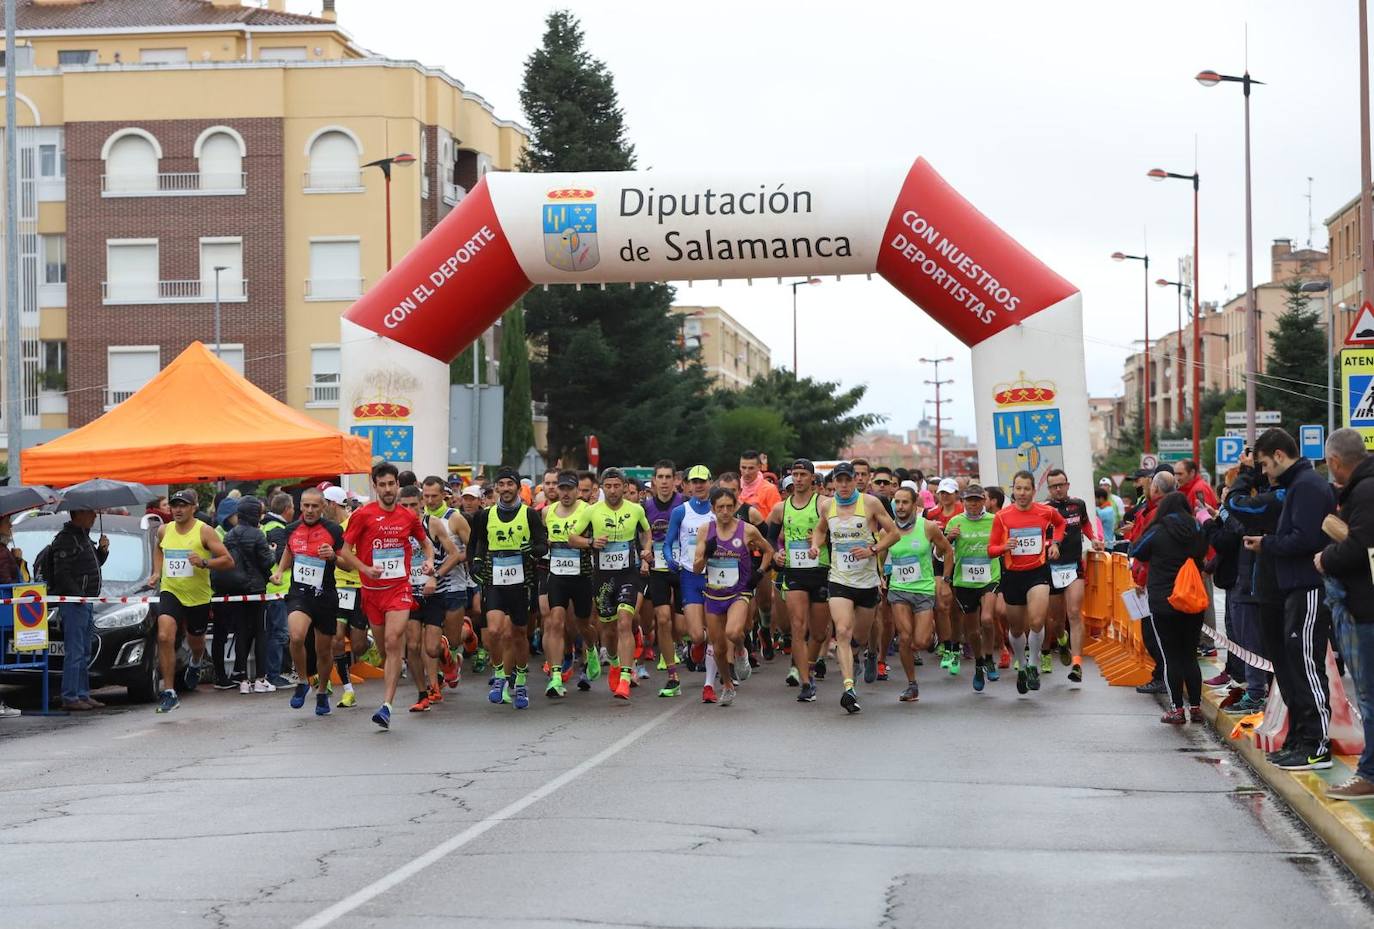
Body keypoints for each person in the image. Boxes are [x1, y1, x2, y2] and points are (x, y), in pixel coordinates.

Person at [1245, 427, 1337, 771]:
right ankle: (1302, 737)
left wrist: (1266, 544)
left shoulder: (1308, 487)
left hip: (1309, 586)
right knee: (1295, 666)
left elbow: (1305, 539)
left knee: (1307, 665)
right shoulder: (1298, 486)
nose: (1265, 472)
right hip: (1295, 587)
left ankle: (1318, 744)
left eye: (1266, 464)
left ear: (1280, 456)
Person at [339, 462, 436, 730]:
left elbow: (426, 543)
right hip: (371, 594)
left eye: (391, 484)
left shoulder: (407, 517)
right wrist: (365, 568)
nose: (387, 489)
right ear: (374, 486)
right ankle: (394, 671)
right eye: (382, 485)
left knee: (394, 641)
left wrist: (428, 562)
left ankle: (387, 706)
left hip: (399, 590)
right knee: (385, 650)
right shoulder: (363, 515)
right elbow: (345, 551)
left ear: (397, 484)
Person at [808, 460, 900, 714]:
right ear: (834, 482)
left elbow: (893, 534)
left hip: (867, 582)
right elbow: (819, 530)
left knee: (858, 636)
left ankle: (868, 654)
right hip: (839, 579)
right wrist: (816, 545)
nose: (845, 485)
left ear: (856, 481)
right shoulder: (827, 505)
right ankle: (849, 688)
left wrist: (872, 549)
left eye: (849, 480)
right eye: (840, 480)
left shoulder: (870, 503)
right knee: (843, 633)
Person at [1315, 428, 1374, 798]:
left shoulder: (1365, 492)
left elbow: (1361, 548)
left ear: (1336, 462)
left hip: (1364, 608)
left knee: (1369, 695)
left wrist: (1325, 558)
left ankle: (1369, 775)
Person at [467, 467, 548, 709]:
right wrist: (476, 564)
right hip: (494, 580)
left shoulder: (530, 514)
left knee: (518, 634)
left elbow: (543, 546)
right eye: (501, 484)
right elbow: (476, 543)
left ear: (516, 487)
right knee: (493, 631)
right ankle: (500, 675)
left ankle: (521, 679)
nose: (505, 489)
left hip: (522, 583)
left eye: (509, 484)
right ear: (496, 488)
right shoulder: (485, 515)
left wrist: (531, 550)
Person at [148, 489, 235, 713]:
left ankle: (195, 662)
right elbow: (158, 549)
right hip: (171, 590)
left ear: (194, 507)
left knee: (196, 642)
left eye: (183, 505)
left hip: (198, 596)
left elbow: (228, 560)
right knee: (164, 635)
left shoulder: (204, 532)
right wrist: (157, 573)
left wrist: (204, 563)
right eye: (175, 505)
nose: (177, 509)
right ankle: (169, 692)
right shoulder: (163, 530)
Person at [568, 468, 651, 701]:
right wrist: (591, 541)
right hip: (602, 577)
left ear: (624, 487)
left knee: (625, 621)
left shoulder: (635, 509)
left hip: (628, 575)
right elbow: (571, 538)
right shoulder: (592, 511)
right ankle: (614, 662)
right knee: (609, 629)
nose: (613, 490)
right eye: (609, 486)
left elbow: (646, 531)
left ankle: (625, 676)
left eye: (617, 486)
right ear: (602, 488)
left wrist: (646, 549)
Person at [1129, 491, 1209, 723]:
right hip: (1192, 599)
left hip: (1164, 601)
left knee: (1171, 657)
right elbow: (1204, 550)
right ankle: (1195, 707)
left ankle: (1176, 709)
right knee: (1190, 655)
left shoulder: (1159, 529)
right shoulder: (1196, 528)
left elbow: (1138, 550)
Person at [986, 470, 1065, 696]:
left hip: (1037, 573)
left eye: (1027, 489)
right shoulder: (1003, 516)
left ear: (1033, 491)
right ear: (1013, 489)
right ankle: (1020, 663)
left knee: (1038, 620)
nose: (1022, 493)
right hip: (1013, 576)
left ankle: (1033, 665)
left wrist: (1055, 543)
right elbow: (990, 550)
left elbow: (1060, 525)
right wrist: (1004, 547)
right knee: (1017, 628)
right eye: (1018, 488)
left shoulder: (1045, 511)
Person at [272, 488, 349, 716]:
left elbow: (349, 564)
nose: (309, 510)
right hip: (300, 594)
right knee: (296, 637)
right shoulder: (291, 529)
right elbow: (289, 550)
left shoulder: (333, 530)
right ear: (300, 506)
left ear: (323, 507)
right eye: (306, 505)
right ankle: (303, 680)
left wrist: (334, 557)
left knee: (323, 650)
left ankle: (322, 691)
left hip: (325, 596)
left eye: (315, 506)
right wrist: (279, 571)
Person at [693, 486, 772, 706]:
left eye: (729, 506)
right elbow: (697, 568)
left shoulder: (747, 530)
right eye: (720, 507)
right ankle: (727, 685)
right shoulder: (704, 531)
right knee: (717, 647)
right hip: (714, 593)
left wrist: (760, 572)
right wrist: (706, 553)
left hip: (739, 591)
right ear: (713, 508)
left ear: (736, 506)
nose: (725, 511)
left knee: (734, 631)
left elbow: (768, 550)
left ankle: (740, 649)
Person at [769, 458, 830, 702]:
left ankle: (810, 666)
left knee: (819, 633)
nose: (799, 479)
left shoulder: (823, 505)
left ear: (812, 478)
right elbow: (770, 538)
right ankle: (805, 682)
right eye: (795, 474)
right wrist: (775, 553)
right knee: (797, 626)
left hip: (820, 571)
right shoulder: (780, 508)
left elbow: (834, 534)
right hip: (794, 572)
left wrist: (818, 542)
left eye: (803, 474)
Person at [398, 485, 463, 712]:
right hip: (408, 594)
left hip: (434, 593)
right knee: (413, 646)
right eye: (403, 505)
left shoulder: (432, 524)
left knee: (432, 648)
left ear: (421, 504)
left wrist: (435, 575)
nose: (408, 510)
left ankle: (450, 662)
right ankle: (424, 692)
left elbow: (454, 554)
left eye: (413, 505)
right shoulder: (394, 527)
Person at [886, 484, 953, 702]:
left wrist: (945, 580)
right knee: (905, 638)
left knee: (920, 642)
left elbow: (948, 550)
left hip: (924, 590)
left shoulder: (928, 527)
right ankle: (911, 684)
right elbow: (879, 555)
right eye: (897, 502)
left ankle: (930, 635)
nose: (900, 506)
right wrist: (880, 576)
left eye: (905, 502)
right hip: (899, 589)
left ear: (915, 505)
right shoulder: (887, 529)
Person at [48, 507, 109, 711]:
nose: (94, 515)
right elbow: (62, 575)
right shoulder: (66, 539)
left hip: (85, 602)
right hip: (74, 604)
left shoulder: (83, 537)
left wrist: (102, 552)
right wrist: (79, 596)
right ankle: (70, 696)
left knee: (84, 650)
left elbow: (91, 566)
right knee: (75, 652)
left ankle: (82, 693)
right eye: (90, 512)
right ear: (79, 514)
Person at [1044, 468, 1100, 684]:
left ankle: (1077, 664)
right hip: (1052, 568)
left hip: (1074, 565)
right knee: (1056, 620)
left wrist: (1092, 537)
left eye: (1061, 484)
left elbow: (1084, 523)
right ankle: (1061, 638)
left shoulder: (1078, 504)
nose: (1058, 489)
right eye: (1053, 486)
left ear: (1067, 484)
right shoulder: (1044, 509)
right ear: (1049, 489)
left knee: (1075, 612)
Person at [216, 496, 276, 694]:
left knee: (241, 632)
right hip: (256, 590)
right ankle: (260, 678)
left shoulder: (229, 535)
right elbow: (266, 562)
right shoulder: (258, 534)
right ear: (255, 513)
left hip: (235, 590)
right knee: (260, 632)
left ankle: (242, 679)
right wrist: (272, 551)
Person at [666, 466, 717, 700]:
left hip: (715, 576)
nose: (698, 485)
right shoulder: (680, 511)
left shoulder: (719, 511)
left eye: (702, 481)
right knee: (696, 634)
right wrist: (669, 559)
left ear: (710, 482)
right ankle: (699, 644)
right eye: (693, 482)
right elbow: (668, 543)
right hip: (689, 575)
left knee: (714, 633)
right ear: (687, 484)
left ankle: (709, 685)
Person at [543, 470, 595, 697]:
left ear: (577, 490)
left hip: (582, 575)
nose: (564, 493)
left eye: (569, 489)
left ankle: (590, 651)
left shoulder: (589, 511)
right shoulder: (547, 512)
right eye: (561, 489)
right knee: (555, 622)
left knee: (582, 625)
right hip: (557, 575)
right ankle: (556, 675)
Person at [946, 484, 1001, 692]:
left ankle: (989, 658)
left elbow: (1002, 545)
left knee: (987, 619)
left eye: (977, 500)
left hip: (989, 577)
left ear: (984, 501)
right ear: (963, 502)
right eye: (969, 500)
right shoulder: (955, 522)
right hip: (964, 581)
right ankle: (979, 663)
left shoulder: (995, 521)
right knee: (972, 631)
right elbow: (941, 552)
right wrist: (949, 538)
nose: (973, 504)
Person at [322, 486, 366, 708]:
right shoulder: (327, 529)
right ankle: (348, 690)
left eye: (323, 504)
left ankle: (370, 641)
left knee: (358, 647)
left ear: (332, 504)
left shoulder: (354, 524)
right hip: (339, 588)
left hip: (360, 587)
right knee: (336, 639)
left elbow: (352, 562)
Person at [261, 493, 294, 687]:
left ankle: (278, 672)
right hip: (278, 588)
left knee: (278, 632)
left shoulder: (268, 526)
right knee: (279, 633)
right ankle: (275, 675)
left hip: (275, 588)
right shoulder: (277, 529)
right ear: (286, 509)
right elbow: (283, 558)